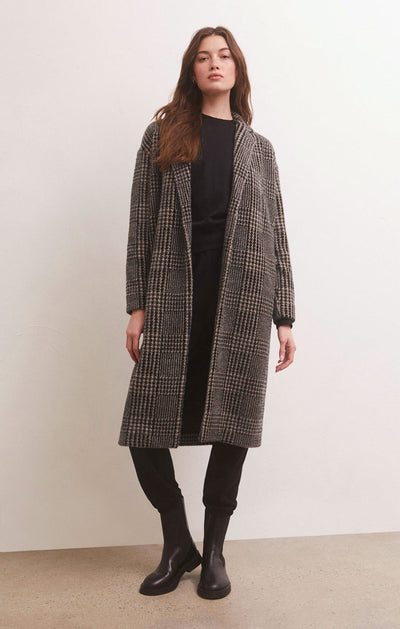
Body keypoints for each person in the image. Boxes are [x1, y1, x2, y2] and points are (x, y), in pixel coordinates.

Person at [119, 26, 296, 600]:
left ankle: (215, 550)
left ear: (236, 69)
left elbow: (277, 235)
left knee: (233, 424)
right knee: (145, 426)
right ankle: (178, 542)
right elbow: (141, 223)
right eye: (202, 57)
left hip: (241, 297)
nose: (214, 64)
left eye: (223, 56)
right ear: (191, 71)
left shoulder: (259, 149)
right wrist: (137, 306)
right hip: (175, 295)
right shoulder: (162, 135)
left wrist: (284, 316)